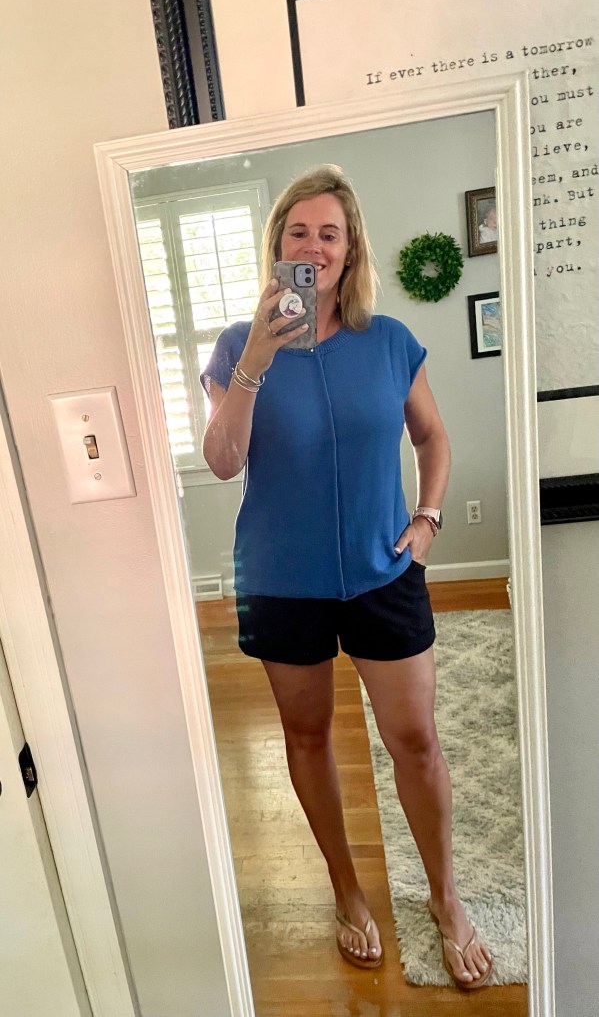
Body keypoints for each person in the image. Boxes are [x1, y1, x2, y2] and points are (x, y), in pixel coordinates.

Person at [201, 164, 493, 990]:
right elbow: (221, 460)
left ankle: (444, 897)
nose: (313, 246)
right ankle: (345, 890)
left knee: (415, 739)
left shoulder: (390, 340)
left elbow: (431, 437)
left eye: (328, 233)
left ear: (350, 247)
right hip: (279, 579)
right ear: (278, 246)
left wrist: (427, 517)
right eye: (297, 232)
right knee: (306, 736)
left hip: (381, 572)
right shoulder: (236, 344)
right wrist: (256, 358)